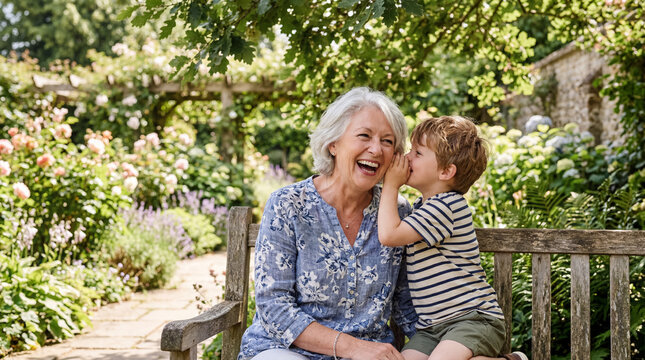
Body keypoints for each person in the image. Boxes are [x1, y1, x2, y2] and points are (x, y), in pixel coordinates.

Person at [238, 87, 418, 360]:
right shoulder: (288, 204)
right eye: (364, 135)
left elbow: (408, 305)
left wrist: (461, 342)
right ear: (333, 144)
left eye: (388, 141)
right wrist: (353, 347)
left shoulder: (396, 212)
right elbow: (274, 306)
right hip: (285, 351)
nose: (376, 149)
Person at [377, 116, 528, 360]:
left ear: (446, 171)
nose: (406, 157)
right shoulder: (423, 207)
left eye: (417, 152)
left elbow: (388, 235)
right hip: (431, 328)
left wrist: (391, 185)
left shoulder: (447, 206)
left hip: (473, 319)